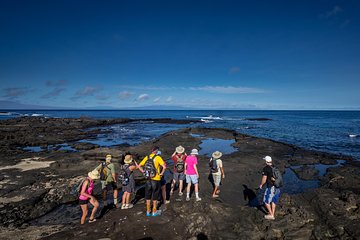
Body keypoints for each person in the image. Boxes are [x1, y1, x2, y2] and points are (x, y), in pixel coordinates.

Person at [138, 146, 166, 216]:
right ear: (156, 151)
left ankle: (148, 211)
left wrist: (143, 172)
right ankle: (154, 211)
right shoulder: (158, 158)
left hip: (148, 179)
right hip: (156, 179)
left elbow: (139, 166)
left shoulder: (147, 157)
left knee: (148, 195)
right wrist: (161, 174)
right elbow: (164, 167)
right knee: (155, 195)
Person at [259, 156, 281, 220]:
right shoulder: (274, 167)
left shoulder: (266, 168)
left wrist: (261, 185)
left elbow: (264, 179)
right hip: (277, 187)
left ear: (266, 161)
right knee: (274, 200)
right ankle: (272, 213)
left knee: (266, 201)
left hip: (271, 187)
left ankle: (271, 215)